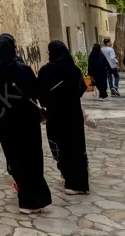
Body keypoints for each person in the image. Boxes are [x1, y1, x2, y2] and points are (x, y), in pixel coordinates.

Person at [0, 34, 52, 214]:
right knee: (32, 158)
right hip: (27, 121)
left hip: (7, 123)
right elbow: (35, 91)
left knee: (16, 157)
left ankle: (25, 199)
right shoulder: (23, 69)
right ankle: (36, 199)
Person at [38, 41, 91, 194]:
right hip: (72, 115)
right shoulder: (73, 70)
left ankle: (67, 176)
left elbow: (39, 93)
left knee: (61, 146)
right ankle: (78, 183)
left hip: (55, 115)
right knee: (76, 146)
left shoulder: (45, 71)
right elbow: (81, 89)